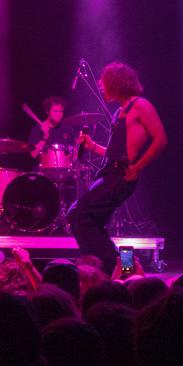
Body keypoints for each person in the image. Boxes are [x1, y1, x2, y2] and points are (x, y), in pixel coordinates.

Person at [67, 62, 167, 274]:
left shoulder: (141, 105)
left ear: (116, 83)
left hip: (120, 175)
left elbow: (160, 139)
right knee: (94, 223)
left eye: (104, 82)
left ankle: (109, 270)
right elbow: (115, 151)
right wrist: (93, 146)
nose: (100, 86)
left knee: (78, 213)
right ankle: (126, 269)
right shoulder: (120, 112)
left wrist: (138, 166)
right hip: (109, 172)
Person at [27, 96, 104, 167]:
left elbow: (74, 155)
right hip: (44, 171)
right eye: (55, 111)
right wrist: (44, 138)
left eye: (61, 111)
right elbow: (34, 154)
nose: (59, 114)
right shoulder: (38, 130)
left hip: (65, 171)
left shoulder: (68, 130)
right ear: (47, 111)